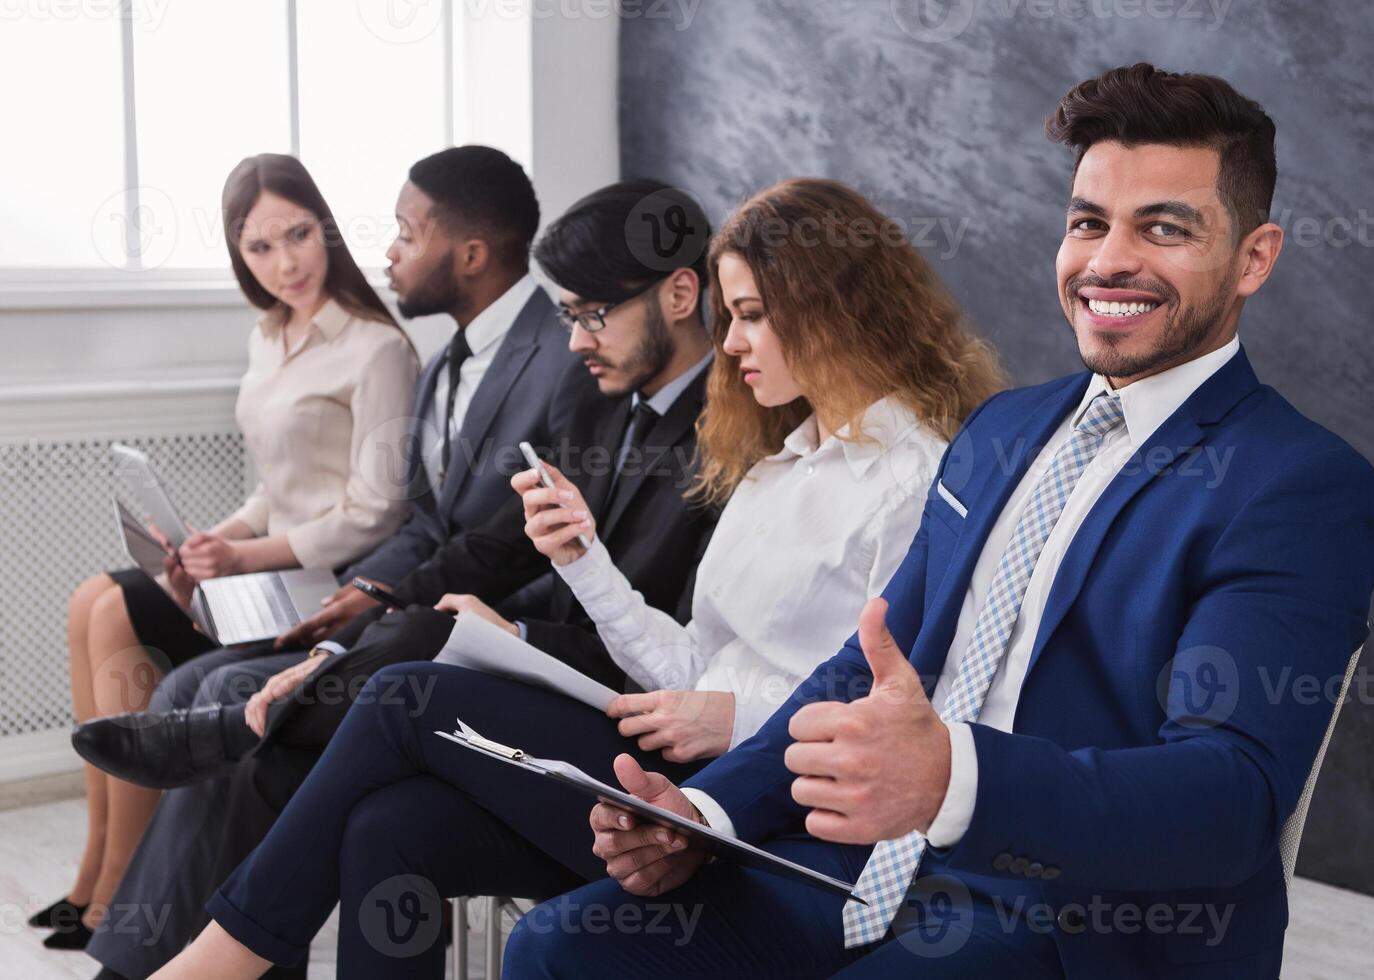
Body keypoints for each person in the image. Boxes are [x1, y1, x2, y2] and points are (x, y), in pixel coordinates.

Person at [507, 64, 1374, 979]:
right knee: (558, 946)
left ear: (1255, 256)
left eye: (1163, 228)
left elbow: (1229, 796)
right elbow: (865, 662)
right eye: (1088, 222)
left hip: (1075, 918)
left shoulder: (1294, 483)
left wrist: (952, 779)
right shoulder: (1002, 428)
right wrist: (707, 814)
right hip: (861, 865)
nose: (1107, 261)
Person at [149, 177, 1004, 980]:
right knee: (387, 827)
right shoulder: (780, 462)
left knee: (401, 693)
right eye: (729, 313)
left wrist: (735, 714)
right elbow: (683, 666)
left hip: (755, 807)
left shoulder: (914, 481)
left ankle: (222, 957)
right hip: (674, 757)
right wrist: (581, 561)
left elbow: (902, 710)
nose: (731, 341)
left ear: (832, 310)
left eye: (750, 315)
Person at [74, 145, 598, 980]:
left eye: (404, 231)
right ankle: (154, 949)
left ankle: (163, 964)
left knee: (231, 710)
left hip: (491, 626)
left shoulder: (560, 353)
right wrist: (367, 589)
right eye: (257, 245)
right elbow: (425, 520)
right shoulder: (450, 361)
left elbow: (502, 546)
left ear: (469, 254)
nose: (386, 249)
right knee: (199, 691)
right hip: (403, 600)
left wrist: (368, 591)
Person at [32, 152, 418, 953]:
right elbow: (276, 489)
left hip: (319, 591)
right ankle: (95, 867)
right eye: (259, 248)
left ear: (328, 229)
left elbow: (375, 512)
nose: (286, 263)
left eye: (299, 235)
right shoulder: (268, 336)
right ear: (240, 256)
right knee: (91, 601)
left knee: (117, 617)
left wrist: (250, 558)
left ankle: (115, 890)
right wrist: (216, 541)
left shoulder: (377, 348)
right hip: (266, 575)